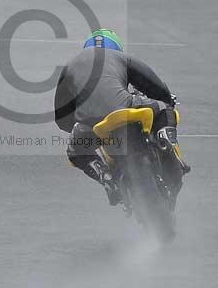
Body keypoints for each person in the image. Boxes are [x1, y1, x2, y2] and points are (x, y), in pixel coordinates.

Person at [54, 29, 189, 205]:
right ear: (116, 48)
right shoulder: (119, 57)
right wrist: (166, 97)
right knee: (163, 108)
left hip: (90, 122)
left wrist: (80, 120)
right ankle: (167, 140)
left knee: (76, 151)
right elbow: (150, 81)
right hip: (125, 105)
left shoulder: (70, 66)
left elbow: (62, 117)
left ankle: (106, 177)